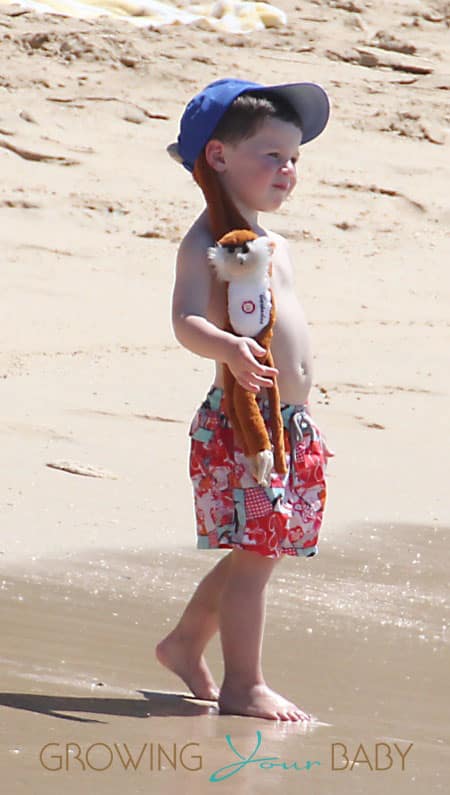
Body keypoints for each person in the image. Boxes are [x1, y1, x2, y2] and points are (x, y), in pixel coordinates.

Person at [156, 78, 334, 722]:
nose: (286, 169)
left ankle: (183, 643)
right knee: (256, 556)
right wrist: (225, 349)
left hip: (288, 426)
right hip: (244, 431)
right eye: (271, 155)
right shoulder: (206, 241)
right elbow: (183, 320)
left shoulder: (269, 242)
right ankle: (244, 683)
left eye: (294, 158)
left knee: (258, 550)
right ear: (219, 158)